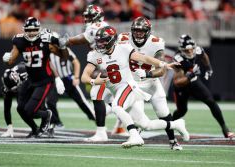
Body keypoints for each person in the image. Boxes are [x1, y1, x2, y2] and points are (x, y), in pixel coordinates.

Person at [81, 26, 190, 148]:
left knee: (117, 107)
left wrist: (162, 63)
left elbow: (144, 58)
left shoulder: (123, 49)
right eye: (98, 41)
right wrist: (93, 81)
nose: (99, 44)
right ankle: (176, 124)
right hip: (117, 90)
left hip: (128, 86)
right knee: (144, 124)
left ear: (111, 40)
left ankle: (135, 136)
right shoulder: (94, 55)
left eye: (103, 40)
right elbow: (84, 76)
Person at [117, 16, 183, 150]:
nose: (138, 34)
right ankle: (136, 135)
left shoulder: (156, 43)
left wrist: (147, 73)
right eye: (136, 31)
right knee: (137, 117)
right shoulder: (123, 39)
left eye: (141, 31)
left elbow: (161, 71)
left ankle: (173, 140)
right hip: (134, 84)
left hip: (151, 83)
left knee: (163, 113)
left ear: (148, 31)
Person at [59, 5, 117, 141]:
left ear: (97, 16)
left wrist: (67, 41)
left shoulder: (95, 27)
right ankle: (126, 121)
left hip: (107, 61)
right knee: (109, 97)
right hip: (107, 60)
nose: (87, 19)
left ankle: (103, 132)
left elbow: (82, 38)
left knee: (98, 94)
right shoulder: (103, 25)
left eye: (89, 16)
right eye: (87, 16)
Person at [2, 17, 68, 138]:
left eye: (34, 30)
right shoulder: (19, 41)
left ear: (39, 29)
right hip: (30, 79)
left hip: (44, 81)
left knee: (30, 110)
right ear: (24, 29)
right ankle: (34, 129)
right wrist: (7, 59)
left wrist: (63, 47)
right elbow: (11, 61)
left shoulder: (46, 40)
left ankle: (47, 115)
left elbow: (63, 57)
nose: (32, 33)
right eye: (29, 30)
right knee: (21, 108)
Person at [172, 34, 234, 139]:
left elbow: (204, 56)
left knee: (211, 102)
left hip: (194, 82)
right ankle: (169, 124)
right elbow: (177, 82)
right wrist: (190, 75)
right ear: (182, 50)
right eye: (187, 51)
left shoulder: (198, 50)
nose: (191, 52)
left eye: (192, 49)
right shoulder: (178, 59)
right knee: (182, 111)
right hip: (182, 87)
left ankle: (225, 129)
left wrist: (209, 68)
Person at [47, 47, 95, 129]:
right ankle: (56, 122)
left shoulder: (64, 50)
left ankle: (96, 118)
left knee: (81, 101)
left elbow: (76, 62)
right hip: (55, 80)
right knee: (50, 101)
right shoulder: (45, 51)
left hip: (68, 78)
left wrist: (76, 77)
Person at [0, 62, 28, 137]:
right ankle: (9, 129)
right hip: (17, 83)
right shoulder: (10, 74)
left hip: (24, 84)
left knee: (23, 108)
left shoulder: (26, 72)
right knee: (7, 105)